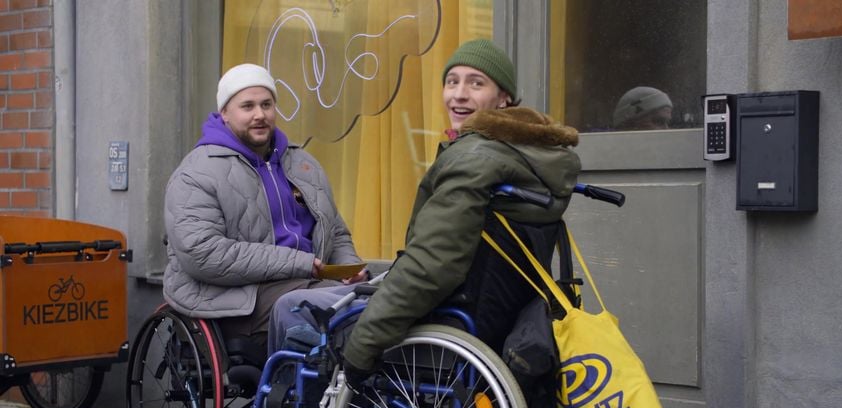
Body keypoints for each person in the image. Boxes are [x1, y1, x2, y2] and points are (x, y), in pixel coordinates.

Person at [268, 40, 580, 387]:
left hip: (445, 314)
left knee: (290, 307)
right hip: (490, 313)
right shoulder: (526, 156)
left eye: (476, 83)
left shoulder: (476, 159)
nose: (458, 94)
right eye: (452, 81)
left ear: (503, 98)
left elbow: (432, 265)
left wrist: (364, 343)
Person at [163, 63, 367, 349]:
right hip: (233, 300)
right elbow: (203, 254)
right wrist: (301, 264)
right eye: (247, 106)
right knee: (340, 314)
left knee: (370, 302)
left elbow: (335, 231)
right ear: (224, 113)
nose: (260, 115)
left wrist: (348, 268)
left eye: (266, 104)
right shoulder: (196, 174)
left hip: (309, 283)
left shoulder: (302, 163)